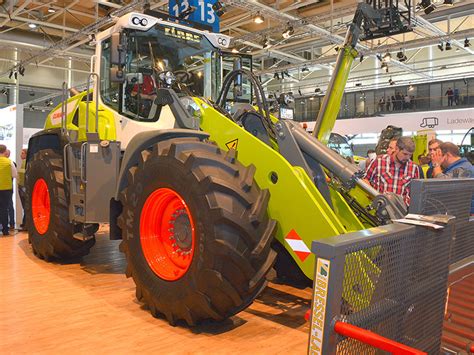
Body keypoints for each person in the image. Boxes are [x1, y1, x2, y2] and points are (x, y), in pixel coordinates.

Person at [365, 137, 420, 206]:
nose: (407, 157)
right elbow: (365, 179)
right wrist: (372, 195)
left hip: (401, 212)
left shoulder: (414, 168)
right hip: (379, 210)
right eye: (405, 154)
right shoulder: (379, 162)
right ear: (396, 149)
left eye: (410, 155)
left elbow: (415, 193)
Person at [431, 142, 474, 214]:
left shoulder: (462, 169)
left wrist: (436, 165)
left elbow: (442, 185)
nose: (437, 159)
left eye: (439, 156)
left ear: (447, 155)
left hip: (466, 215)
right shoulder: (462, 167)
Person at [0, 145, 17, 236]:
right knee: (4, 209)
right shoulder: (9, 162)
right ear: (5, 151)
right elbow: (14, 175)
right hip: (6, 189)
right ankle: (5, 230)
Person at [5, 149, 15, 230]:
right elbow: (14, 175)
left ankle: (10, 223)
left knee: (8, 206)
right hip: (8, 188)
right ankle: (11, 224)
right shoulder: (12, 163)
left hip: (7, 188)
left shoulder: (11, 163)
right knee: (9, 206)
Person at [18, 149, 27, 230]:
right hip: (22, 186)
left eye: (22, 153)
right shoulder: (24, 162)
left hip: (23, 187)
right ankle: (24, 223)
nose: (21, 155)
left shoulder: (25, 162)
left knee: (25, 206)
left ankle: (26, 224)